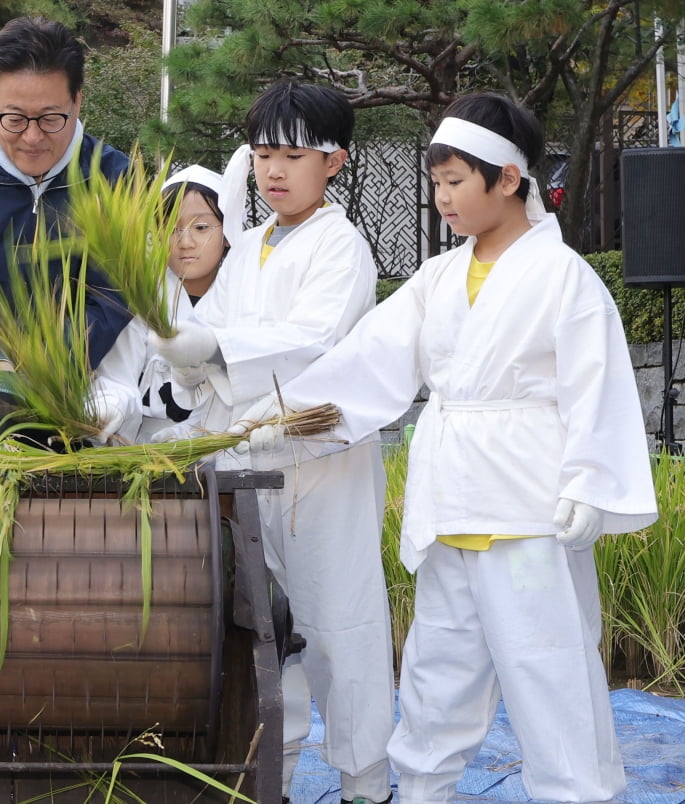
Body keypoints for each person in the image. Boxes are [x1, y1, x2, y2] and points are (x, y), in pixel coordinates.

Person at [233, 92, 659, 803]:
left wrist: (589, 483)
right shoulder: (437, 279)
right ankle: (424, 790)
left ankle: (576, 792)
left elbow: (598, 386)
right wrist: (288, 416)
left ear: (509, 179)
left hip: (528, 515)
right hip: (450, 509)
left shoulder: (564, 279)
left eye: (455, 181)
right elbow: (371, 363)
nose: (442, 199)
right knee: (435, 673)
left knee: (548, 668)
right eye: (436, 183)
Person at [149, 81, 394, 804]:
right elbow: (205, 353)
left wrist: (213, 351)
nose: (274, 171)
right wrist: (192, 363)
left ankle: (365, 784)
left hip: (321, 470)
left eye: (293, 155)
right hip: (246, 467)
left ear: (335, 162)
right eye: (262, 155)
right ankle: (268, 781)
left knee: (339, 622)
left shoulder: (340, 248)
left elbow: (307, 343)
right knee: (263, 628)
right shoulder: (248, 246)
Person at [0, 16, 132, 444]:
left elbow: (111, 296)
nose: (32, 137)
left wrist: (48, 370)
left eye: (52, 118)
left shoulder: (113, 176)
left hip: (78, 374)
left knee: (57, 498)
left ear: (78, 101)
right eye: (14, 118)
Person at [136, 164, 227, 443]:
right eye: (170, 228)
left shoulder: (244, 297)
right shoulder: (138, 300)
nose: (185, 242)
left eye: (201, 227)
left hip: (222, 445)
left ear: (228, 231)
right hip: (139, 447)